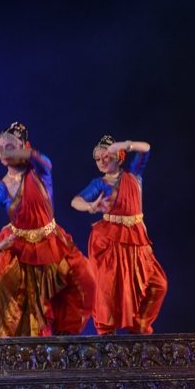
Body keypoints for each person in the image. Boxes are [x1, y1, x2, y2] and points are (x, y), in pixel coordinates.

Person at [0, 121, 96, 336]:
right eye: (1, 148)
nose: (5, 151)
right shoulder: (0, 189)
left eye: (11, 147)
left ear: (24, 147)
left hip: (52, 244)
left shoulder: (40, 171)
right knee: (28, 316)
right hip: (20, 252)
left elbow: (39, 158)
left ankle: (66, 340)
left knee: (86, 281)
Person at [71, 135, 168, 334]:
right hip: (108, 241)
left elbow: (146, 148)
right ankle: (106, 336)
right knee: (107, 291)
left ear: (119, 156)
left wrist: (125, 145)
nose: (101, 161)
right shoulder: (99, 183)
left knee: (158, 285)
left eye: (106, 156)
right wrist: (90, 206)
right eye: (98, 159)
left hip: (136, 239)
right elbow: (75, 201)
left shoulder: (134, 174)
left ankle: (140, 326)